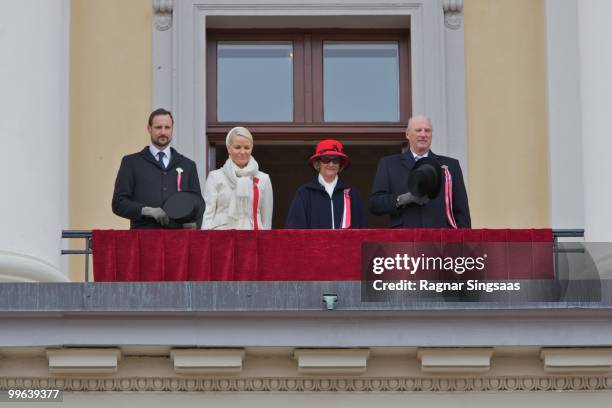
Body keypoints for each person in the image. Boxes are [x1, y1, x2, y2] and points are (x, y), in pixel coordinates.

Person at [370, 115, 471, 228]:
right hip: (404, 239)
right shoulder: (389, 164)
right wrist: (403, 199)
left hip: (441, 238)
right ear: (407, 134)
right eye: (418, 130)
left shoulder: (451, 166)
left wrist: (464, 243)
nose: (423, 135)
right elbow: (376, 204)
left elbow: (462, 211)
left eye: (427, 130)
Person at [112, 108, 204, 229]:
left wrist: (195, 225)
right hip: (143, 239)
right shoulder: (131, 162)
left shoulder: (188, 165)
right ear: (149, 128)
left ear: (172, 129)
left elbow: (198, 204)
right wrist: (146, 211)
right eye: (158, 127)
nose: (163, 132)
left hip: (178, 240)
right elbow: (119, 203)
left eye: (167, 127)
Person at [285, 139, 367, 229]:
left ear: (340, 164)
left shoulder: (352, 193)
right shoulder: (304, 192)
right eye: (326, 160)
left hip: (345, 243)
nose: (331, 164)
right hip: (314, 243)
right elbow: (294, 230)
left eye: (335, 160)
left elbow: (361, 230)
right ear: (317, 163)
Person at [202, 127, 273, 230]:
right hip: (221, 238)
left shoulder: (263, 179)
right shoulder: (215, 177)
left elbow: (266, 220)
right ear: (228, 148)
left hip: (253, 238)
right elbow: (207, 216)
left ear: (251, 149)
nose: (242, 152)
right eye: (238, 147)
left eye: (247, 147)